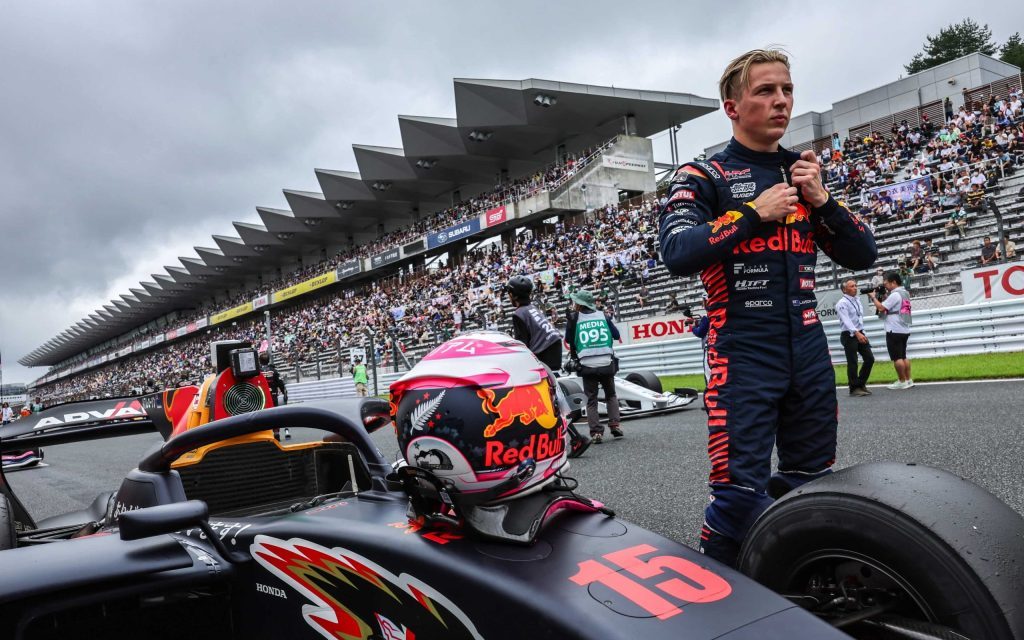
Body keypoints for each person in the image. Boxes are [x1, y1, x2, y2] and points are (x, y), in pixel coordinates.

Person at [657, 48, 877, 566]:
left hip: (808, 349)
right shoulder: (702, 175)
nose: (781, 101)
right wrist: (753, 214)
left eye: (787, 89)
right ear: (732, 107)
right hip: (741, 351)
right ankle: (723, 601)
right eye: (765, 91)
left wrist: (821, 201)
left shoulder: (803, 173)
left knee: (812, 487)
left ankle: (805, 585)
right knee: (738, 496)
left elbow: (863, 254)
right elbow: (676, 252)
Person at [505, 275, 590, 457]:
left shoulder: (518, 313)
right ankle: (567, 438)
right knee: (550, 400)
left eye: (508, 293)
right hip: (552, 349)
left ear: (513, 294)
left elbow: (522, 344)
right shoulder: (532, 308)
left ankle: (575, 439)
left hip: (542, 353)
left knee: (543, 402)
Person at [565, 288, 622, 445]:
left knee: (591, 399)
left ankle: (596, 432)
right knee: (611, 395)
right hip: (606, 362)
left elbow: (569, 340)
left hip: (587, 364)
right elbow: (616, 335)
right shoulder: (603, 315)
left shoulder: (575, 318)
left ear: (579, 303)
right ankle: (615, 424)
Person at [869, 271, 913, 390]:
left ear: (893, 282)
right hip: (904, 327)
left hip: (894, 328)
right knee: (903, 356)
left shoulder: (895, 295)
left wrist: (873, 297)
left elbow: (881, 307)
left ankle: (901, 381)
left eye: (886, 283)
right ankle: (909, 380)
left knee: (897, 357)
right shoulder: (905, 292)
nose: (885, 286)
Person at [835, 280, 874, 397]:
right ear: (844, 290)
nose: (855, 288)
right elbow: (846, 321)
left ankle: (860, 384)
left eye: (855, 286)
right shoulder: (841, 303)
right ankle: (853, 388)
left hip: (860, 333)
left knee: (869, 358)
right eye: (852, 286)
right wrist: (857, 333)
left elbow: (859, 317)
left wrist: (862, 331)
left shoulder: (857, 300)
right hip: (849, 335)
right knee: (853, 362)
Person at [259, 351, 290, 439]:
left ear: (260, 361)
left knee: (262, 415)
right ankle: (276, 432)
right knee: (274, 414)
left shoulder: (257, 372)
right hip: (273, 395)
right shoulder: (273, 370)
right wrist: (284, 393)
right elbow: (280, 383)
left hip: (261, 397)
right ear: (268, 360)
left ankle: (264, 434)